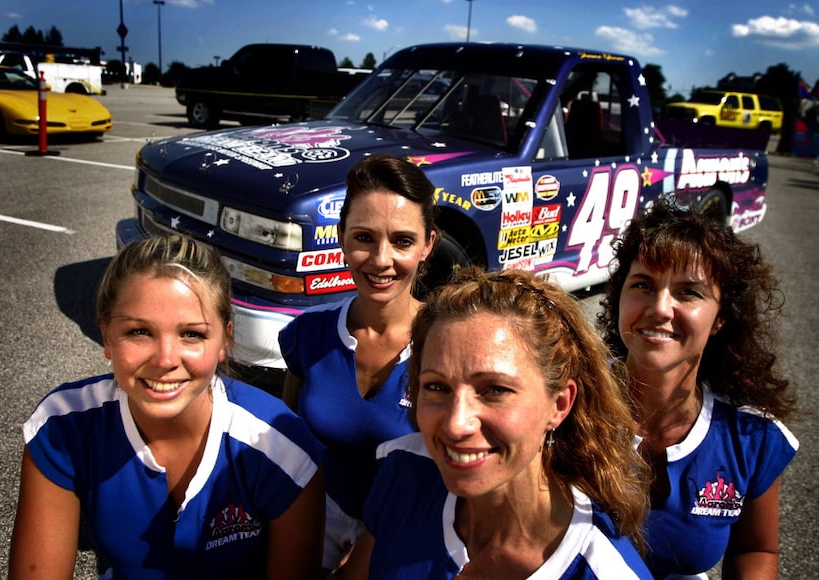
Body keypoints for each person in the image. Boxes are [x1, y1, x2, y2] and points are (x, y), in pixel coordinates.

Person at [9, 234, 325, 580]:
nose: (165, 359)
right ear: (107, 337)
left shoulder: (280, 448)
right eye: (139, 331)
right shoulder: (63, 426)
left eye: (192, 334)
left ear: (225, 340)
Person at [342, 267, 653, 579]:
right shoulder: (406, 471)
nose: (456, 424)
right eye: (437, 387)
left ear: (559, 404)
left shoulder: (602, 569)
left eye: (495, 390)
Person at [597, 198, 799, 579]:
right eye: (642, 284)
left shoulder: (750, 436)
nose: (660, 308)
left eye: (688, 292)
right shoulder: (563, 400)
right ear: (618, 296)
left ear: (721, 317)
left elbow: (756, 549)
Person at [278, 153, 438, 574]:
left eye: (402, 241)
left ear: (428, 245)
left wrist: (372, 544)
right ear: (342, 236)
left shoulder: (449, 348)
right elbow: (290, 445)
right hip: (316, 518)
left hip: (410, 530)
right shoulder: (307, 336)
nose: (381, 260)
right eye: (364, 237)